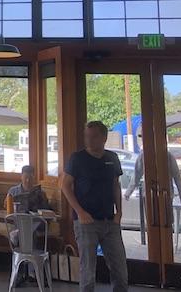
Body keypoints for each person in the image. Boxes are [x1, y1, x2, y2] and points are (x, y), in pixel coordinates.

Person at [62, 121, 128, 292]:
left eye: (94, 137)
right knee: (88, 271)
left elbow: (115, 185)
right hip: (86, 222)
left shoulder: (112, 158)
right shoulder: (77, 158)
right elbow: (65, 185)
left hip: (110, 220)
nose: (89, 140)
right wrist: (80, 212)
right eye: (87, 136)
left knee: (120, 269)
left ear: (104, 138)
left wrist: (119, 212)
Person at [124, 134, 181, 207]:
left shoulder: (168, 156)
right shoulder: (143, 156)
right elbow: (137, 175)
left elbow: (177, 178)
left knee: (165, 213)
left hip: (165, 195)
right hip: (149, 195)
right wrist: (128, 192)